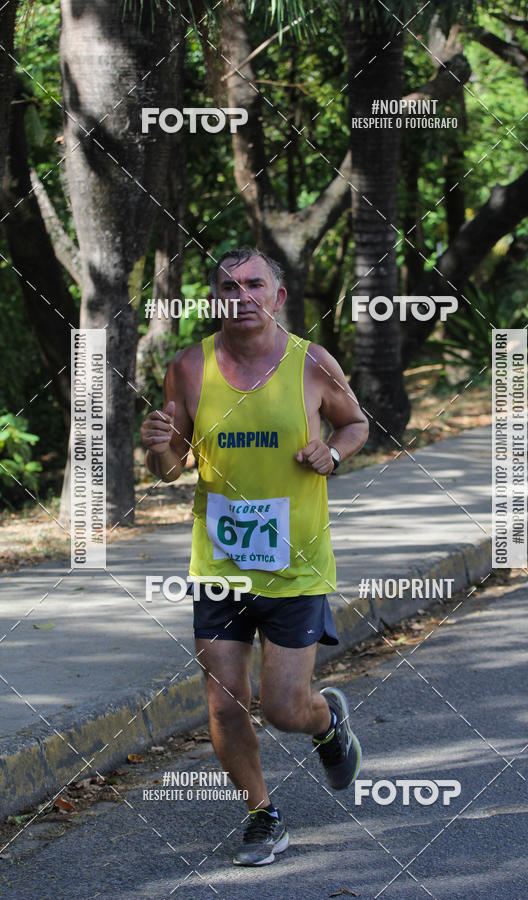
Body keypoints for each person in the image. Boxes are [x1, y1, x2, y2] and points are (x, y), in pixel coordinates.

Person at [141, 248, 369, 866]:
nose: (240, 295)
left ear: (278, 297)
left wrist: (335, 454)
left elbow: (355, 423)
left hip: (296, 565)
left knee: (285, 709)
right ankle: (262, 814)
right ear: (214, 299)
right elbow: (169, 469)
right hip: (220, 563)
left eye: (253, 284)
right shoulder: (189, 368)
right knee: (222, 700)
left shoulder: (313, 364)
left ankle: (325, 723)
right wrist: (158, 447)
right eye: (226, 286)